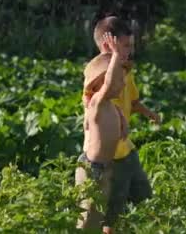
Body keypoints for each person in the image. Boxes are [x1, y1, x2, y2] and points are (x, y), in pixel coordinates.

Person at [80, 16, 158, 230]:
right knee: (109, 214)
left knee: (144, 199)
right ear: (109, 45)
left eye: (131, 46)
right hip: (109, 161)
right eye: (125, 46)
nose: (129, 52)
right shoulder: (99, 77)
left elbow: (130, 100)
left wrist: (147, 112)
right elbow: (102, 94)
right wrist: (114, 56)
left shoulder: (123, 71)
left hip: (127, 152)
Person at [76, 33, 127, 233]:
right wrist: (114, 54)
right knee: (87, 219)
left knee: (101, 216)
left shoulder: (110, 106)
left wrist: (122, 120)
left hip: (105, 168)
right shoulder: (96, 102)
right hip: (92, 169)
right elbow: (107, 83)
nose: (122, 84)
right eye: (119, 80)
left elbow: (108, 80)